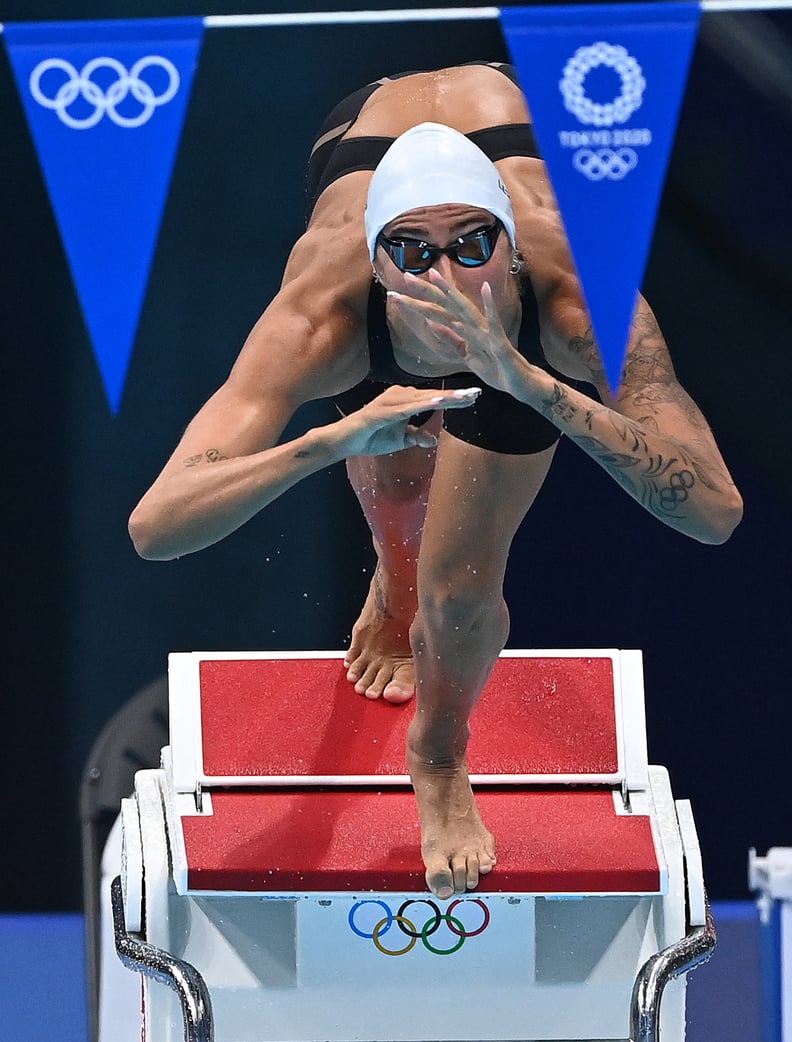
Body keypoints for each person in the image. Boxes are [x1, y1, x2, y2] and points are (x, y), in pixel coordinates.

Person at [129, 62, 743, 901]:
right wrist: (330, 439)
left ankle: (439, 758)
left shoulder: (577, 305)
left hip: (512, 191)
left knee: (455, 589)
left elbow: (713, 512)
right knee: (402, 516)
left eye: (474, 247)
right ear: (379, 266)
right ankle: (393, 575)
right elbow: (155, 528)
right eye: (414, 254)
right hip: (361, 134)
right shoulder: (323, 317)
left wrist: (537, 388)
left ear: (513, 249)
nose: (448, 280)